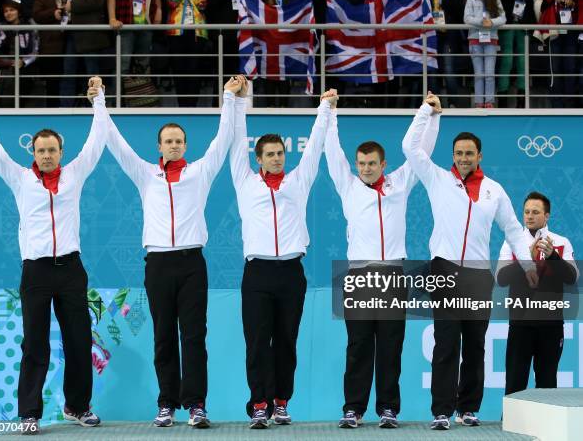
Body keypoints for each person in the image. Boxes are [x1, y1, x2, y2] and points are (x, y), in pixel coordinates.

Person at [102, 74, 244, 428]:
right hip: (159, 265)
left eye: (179, 141)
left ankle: (196, 405)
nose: (175, 145)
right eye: (168, 141)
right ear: (159, 146)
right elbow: (116, 144)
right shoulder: (145, 174)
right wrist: (99, 102)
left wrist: (229, 98)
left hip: (192, 263)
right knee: (163, 335)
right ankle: (167, 403)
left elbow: (223, 140)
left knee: (194, 336)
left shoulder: (200, 173)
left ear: (185, 145)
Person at [0, 76, 107, 435]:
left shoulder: (75, 175)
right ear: (32, 153)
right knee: (34, 343)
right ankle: (29, 412)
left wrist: (99, 101)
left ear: (61, 152)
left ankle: (77, 407)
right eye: (40, 150)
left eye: (52, 149)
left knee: (79, 341)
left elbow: (97, 142)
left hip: (71, 269)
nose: (46, 155)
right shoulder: (20, 179)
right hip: (35, 271)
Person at [402, 103, 539, 430]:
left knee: (475, 345)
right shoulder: (437, 178)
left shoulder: (494, 190)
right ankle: (441, 411)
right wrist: (427, 112)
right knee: (446, 341)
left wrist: (529, 264)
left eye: (469, 153)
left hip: (478, 276)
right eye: (459, 153)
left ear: (479, 156)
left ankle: (468, 408)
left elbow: (514, 230)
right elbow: (409, 147)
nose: (463, 158)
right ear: (453, 155)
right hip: (445, 270)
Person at [324, 90, 441, 429]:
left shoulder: (400, 183)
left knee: (390, 347)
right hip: (359, 275)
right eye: (361, 163)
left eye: (371, 163)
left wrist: (433, 116)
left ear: (383, 164)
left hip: (392, 274)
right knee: (358, 346)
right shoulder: (348, 186)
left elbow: (422, 153)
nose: (365, 169)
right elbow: (332, 153)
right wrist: (330, 113)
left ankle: (388, 408)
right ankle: (353, 409)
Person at [230, 79, 331, 429]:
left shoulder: (298, 181)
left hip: (291, 272)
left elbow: (316, 147)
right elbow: (233, 140)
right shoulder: (244, 181)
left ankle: (281, 401)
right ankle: (259, 403)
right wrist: (238, 100)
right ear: (257, 158)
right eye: (269, 155)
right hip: (257, 273)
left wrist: (324, 109)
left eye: (280, 154)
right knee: (257, 342)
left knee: (286, 341)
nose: (276, 159)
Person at [497, 192, 579, 395]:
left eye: (535, 212)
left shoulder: (561, 242)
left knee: (547, 382)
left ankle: (545, 427)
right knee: (515, 381)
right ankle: (513, 422)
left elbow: (572, 278)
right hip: (520, 323)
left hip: (551, 325)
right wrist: (527, 259)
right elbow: (501, 278)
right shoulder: (511, 243)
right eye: (526, 212)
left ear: (547, 216)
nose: (529, 216)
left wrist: (553, 257)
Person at [464, 0, 506, 108]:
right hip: (474, 39)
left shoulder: (496, 0)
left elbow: (503, 18)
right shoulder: (471, 0)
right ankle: (479, 103)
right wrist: (481, 22)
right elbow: (467, 18)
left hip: (491, 40)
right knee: (479, 73)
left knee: (489, 73)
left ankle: (489, 102)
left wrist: (491, 22)